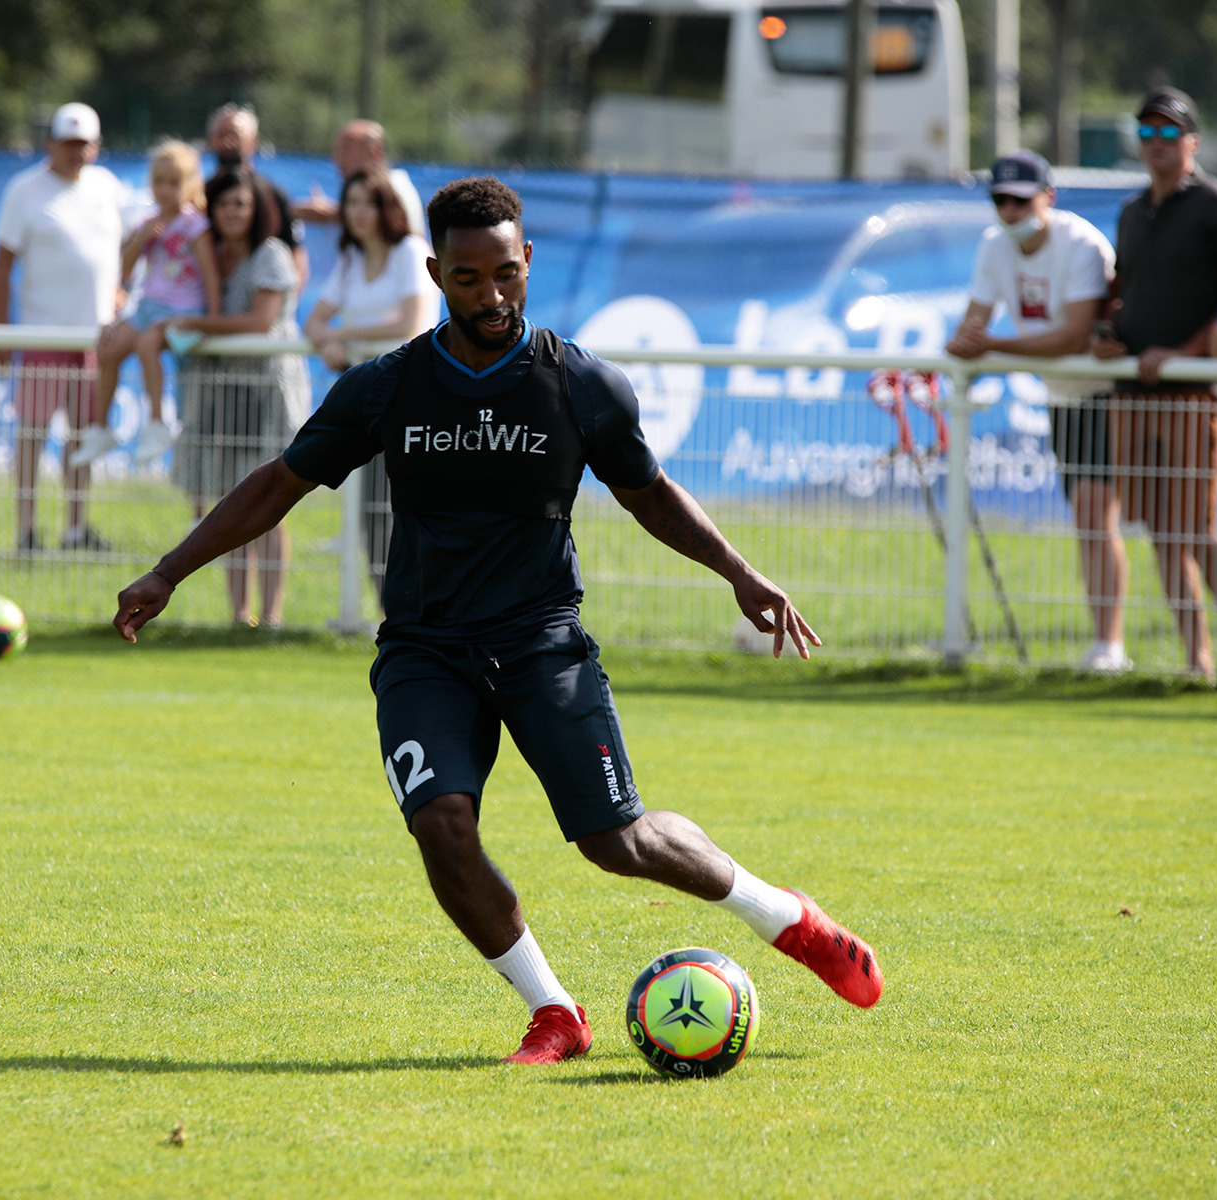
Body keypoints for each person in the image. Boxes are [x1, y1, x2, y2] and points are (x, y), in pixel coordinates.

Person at [114, 176, 884, 1065]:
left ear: (528, 265)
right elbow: (280, 484)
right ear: (438, 272)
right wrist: (171, 570)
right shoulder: (387, 387)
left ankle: (787, 918)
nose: (492, 296)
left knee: (616, 841)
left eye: (507, 275)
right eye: (471, 279)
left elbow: (650, 495)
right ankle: (555, 1011)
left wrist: (740, 574)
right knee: (441, 824)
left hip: (540, 642)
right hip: (425, 650)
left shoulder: (579, 384)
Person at [945, 150, 1127, 672]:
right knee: (1090, 521)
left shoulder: (1081, 243)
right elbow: (973, 327)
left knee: (1145, 523)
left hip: (1111, 393)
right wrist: (967, 346)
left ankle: (1116, 646)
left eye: (1020, 201)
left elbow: (1073, 336)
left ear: (1048, 196)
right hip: (1062, 395)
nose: (1009, 212)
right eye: (1000, 200)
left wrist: (991, 348)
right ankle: (1108, 644)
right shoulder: (992, 247)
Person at [1092, 87, 1217, 681]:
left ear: (1192, 141)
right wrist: (1107, 331)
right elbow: (1123, 288)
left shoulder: (1216, 204)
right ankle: (1196, 661)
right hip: (1135, 391)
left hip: (1192, 392)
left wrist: (1183, 354)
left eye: (1168, 133)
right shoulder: (1132, 211)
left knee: (1195, 531)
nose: (1157, 144)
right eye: (1146, 133)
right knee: (1160, 530)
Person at [164, 166, 311, 628]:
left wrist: (194, 326)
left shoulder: (272, 254)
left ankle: (271, 618)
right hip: (222, 393)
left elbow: (260, 321)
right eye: (224, 204)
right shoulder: (209, 254)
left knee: (270, 502)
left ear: (256, 210)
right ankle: (238, 617)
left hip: (267, 392)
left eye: (241, 204)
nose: (233, 212)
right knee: (230, 505)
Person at [0, 102, 129, 553]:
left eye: (84, 143)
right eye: (68, 143)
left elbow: (135, 242)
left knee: (82, 435)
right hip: (42, 335)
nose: (76, 152)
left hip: (97, 338)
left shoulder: (109, 187)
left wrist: (124, 291)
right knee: (32, 433)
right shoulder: (25, 190)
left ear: (97, 147)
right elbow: (2, 266)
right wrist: (2, 335)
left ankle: (75, 528)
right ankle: (26, 531)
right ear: (49, 144)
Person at [304, 170, 440, 601]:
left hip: (418, 399)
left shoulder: (411, 251)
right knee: (373, 515)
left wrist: (340, 335)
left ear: (388, 208)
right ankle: (393, 617)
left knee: (414, 513)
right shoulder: (351, 260)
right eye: (351, 203)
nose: (358, 213)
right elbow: (313, 321)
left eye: (369, 202)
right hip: (371, 405)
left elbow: (413, 322)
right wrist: (326, 342)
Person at [73, 140, 222, 471]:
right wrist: (139, 240)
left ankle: (157, 423)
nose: (165, 190)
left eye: (174, 182)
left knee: (147, 344)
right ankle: (100, 428)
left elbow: (210, 274)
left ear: (190, 186)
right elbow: (124, 270)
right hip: (148, 306)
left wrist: (211, 319)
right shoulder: (147, 223)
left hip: (182, 311)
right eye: (159, 181)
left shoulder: (196, 226)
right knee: (108, 348)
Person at [205, 103, 308, 286]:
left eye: (235, 135)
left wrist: (278, 307)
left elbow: (296, 257)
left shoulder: (273, 195)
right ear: (211, 140)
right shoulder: (199, 195)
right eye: (221, 135)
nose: (228, 142)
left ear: (254, 141)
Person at [293, 119, 425, 238]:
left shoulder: (396, 185)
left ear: (374, 152)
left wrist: (327, 214)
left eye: (346, 150)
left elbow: (393, 222)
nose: (337, 160)